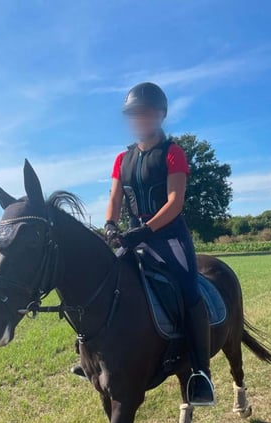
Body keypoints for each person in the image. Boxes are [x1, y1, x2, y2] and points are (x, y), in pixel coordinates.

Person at [103, 82, 215, 406]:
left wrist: (146, 229)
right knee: (110, 282)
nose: (141, 118)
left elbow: (175, 201)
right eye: (135, 113)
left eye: (147, 112)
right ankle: (98, 357)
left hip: (168, 237)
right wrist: (111, 224)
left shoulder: (172, 152)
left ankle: (201, 372)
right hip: (132, 233)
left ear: (160, 115)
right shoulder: (122, 159)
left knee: (188, 290)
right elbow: (114, 196)